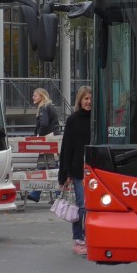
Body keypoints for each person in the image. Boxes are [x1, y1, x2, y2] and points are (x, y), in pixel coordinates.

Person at [58, 86, 91, 256]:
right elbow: (67, 147)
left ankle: (89, 237)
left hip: (95, 169)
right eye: (86, 98)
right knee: (81, 206)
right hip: (79, 170)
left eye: (91, 98)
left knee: (92, 206)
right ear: (80, 100)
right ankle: (79, 239)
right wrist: (66, 173)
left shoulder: (98, 119)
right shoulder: (73, 120)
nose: (89, 101)